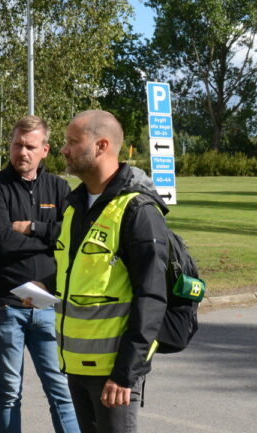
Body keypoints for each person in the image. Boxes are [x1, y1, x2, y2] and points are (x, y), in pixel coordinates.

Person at [56, 110, 169, 433]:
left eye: (73, 142)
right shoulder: (76, 205)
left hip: (113, 374)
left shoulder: (138, 211)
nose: (64, 149)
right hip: (75, 365)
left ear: (101, 145)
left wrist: (125, 374)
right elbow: (79, 273)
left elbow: (152, 299)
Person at [0, 115, 79, 433]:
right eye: (18, 144)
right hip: (5, 305)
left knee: (61, 390)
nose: (23, 152)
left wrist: (34, 227)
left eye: (30, 146)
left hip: (47, 304)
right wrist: (49, 242)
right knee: (9, 391)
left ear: (45, 150)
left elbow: (73, 234)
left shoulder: (60, 188)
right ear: (11, 145)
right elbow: (3, 241)